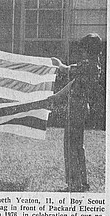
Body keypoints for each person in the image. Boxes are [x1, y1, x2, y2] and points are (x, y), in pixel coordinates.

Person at [51, 33, 102, 192]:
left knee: (71, 145)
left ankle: (74, 183)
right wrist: (57, 96)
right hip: (81, 106)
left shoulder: (88, 65)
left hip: (76, 107)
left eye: (83, 49)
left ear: (88, 49)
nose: (81, 52)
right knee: (77, 145)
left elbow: (67, 71)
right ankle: (82, 181)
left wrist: (58, 64)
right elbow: (73, 84)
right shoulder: (94, 65)